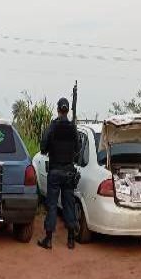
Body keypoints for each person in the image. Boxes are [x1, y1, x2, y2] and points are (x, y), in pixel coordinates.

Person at [37, 97, 80, 250]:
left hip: (55, 171)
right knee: (69, 204)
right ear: (67, 110)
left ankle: (48, 240)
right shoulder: (73, 128)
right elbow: (77, 149)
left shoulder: (52, 127)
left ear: (57, 110)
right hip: (69, 172)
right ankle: (70, 240)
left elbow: (43, 147)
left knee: (52, 205)